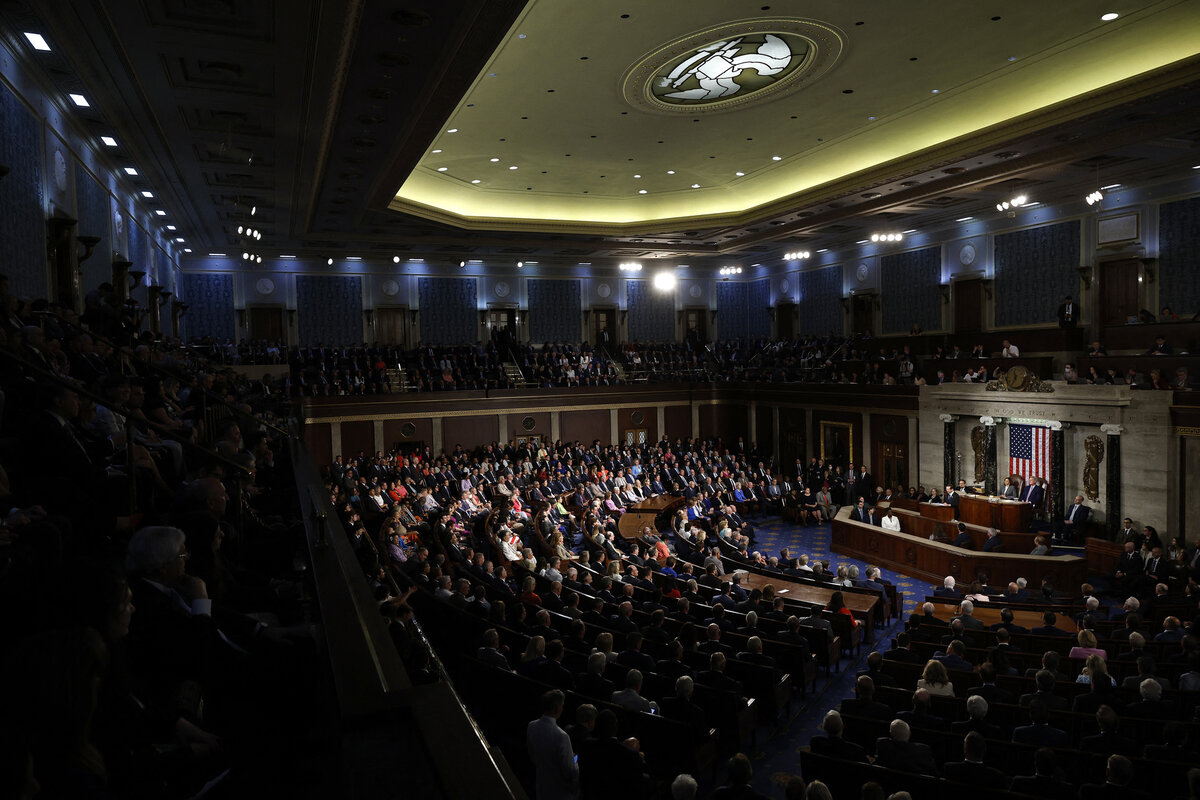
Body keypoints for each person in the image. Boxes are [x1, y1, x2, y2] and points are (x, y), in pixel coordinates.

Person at [526, 689, 580, 800]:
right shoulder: (562, 736)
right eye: (562, 705)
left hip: (541, 784)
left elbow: (532, 754)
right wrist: (575, 758)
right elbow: (570, 770)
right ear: (557, 708)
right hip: (560, 791)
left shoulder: (532, 726)